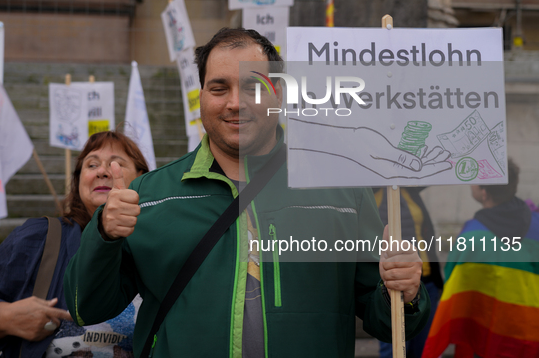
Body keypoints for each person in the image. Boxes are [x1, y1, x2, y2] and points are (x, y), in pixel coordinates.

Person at [64, 28, 431, 357]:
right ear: (202, 97)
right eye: (219, 88)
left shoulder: (340, 190)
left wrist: (404, 291)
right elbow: (88, 309)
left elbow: (388, 322)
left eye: (254, 86)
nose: (235, 102)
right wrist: (104, 234)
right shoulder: (152, 194)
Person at [0, 131, 149, 358]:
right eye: (92, 164)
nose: (103, 172)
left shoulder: (161, 247)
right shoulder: (38, 238)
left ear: (142, 178)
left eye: (116, 163)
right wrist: (6, 316)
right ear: (78, 181)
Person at [422, 159, 539, 358]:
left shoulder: (471, 237)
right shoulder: (536, 224)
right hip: (529, 331)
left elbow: (454, 283)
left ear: (484, 193)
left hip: (487, 334)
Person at [374, 187, 444, 358]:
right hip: (390, 286)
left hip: (426, 282)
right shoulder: (369, 194)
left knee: (424, 349)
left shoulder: (410, 190)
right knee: (393, 350)